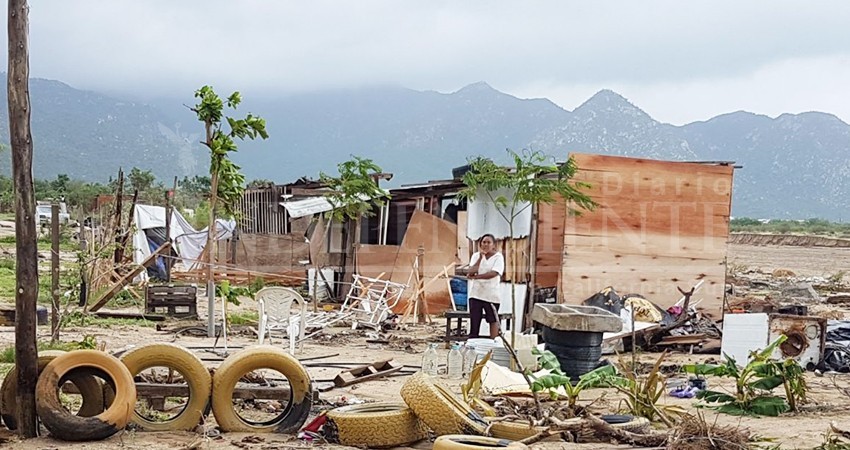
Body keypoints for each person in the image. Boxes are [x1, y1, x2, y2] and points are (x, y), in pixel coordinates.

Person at [466, 234, 504, 339]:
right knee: (475, 320)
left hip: (491, 294)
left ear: (493, 245)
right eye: (484, 242)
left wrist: (477, 277)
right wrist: (480, 258)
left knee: (492, 319)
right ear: (480, 244)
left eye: (488, 242)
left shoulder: (498, 257)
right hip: (476, 293)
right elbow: (471, 272)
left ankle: (493, 341)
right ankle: (473, 341)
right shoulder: (476, 256)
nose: (486, 245)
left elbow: (494, 273)